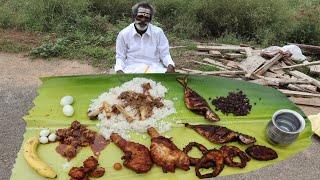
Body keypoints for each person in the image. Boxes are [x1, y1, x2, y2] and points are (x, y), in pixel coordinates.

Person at [114, 2, 175, 74]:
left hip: (154, 69)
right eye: (140, 16)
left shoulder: (158, 32)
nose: (143, 20)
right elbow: (120, 57)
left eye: (146, 17)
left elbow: (165, 54)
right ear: (134, 16)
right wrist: (119, 70)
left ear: (150, 19)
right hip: (131, 69)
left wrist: (170, 65)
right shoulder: (124, 34)